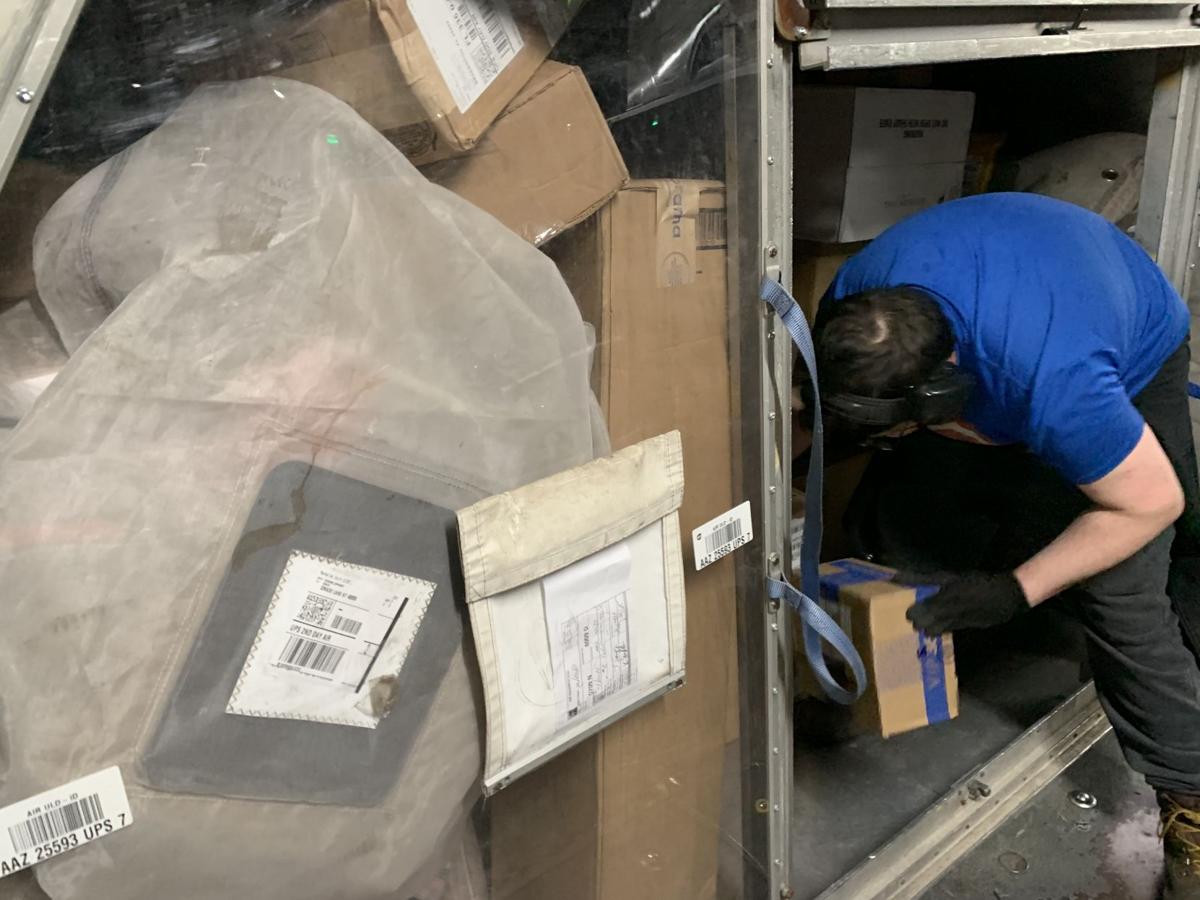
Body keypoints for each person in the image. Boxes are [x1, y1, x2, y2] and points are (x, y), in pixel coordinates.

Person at [812, 192, 1200, 897]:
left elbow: (1151, 503)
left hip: (1131, 327)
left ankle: (1189, 794)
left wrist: (1016, 590)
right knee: (906, 510)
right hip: (1022, 283)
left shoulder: (1060, 385)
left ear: (942, 395)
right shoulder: (855, 306)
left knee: (1123, 593)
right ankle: (900, 665)